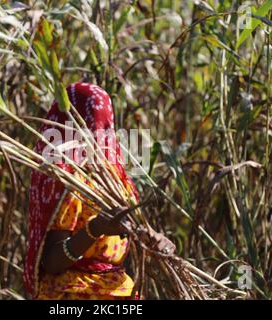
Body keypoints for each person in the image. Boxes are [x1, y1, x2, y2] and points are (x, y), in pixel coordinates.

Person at [23, 82, 174, 300]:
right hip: (71, 294)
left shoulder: (117, 179)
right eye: (90, 123)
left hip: (119, 292)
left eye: (104, 124)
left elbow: (131, 233)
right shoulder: (65, 180)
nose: (98, 132)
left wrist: (155, 240)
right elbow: (52, 262)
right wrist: (94, 229)